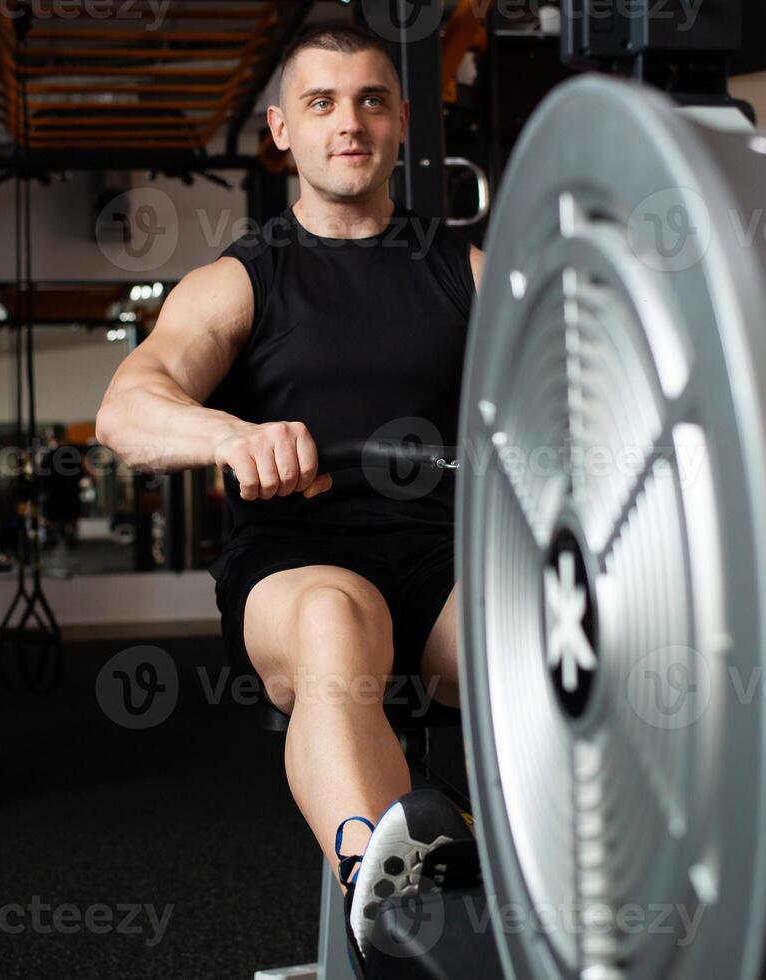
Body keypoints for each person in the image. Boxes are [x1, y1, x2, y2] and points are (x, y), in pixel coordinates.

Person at [95, 22, 484, 957]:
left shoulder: (466, 271)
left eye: (369, 100)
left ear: (399, 125)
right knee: (333, 627)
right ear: (280, 130)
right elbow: (126, 410)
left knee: (557, 643)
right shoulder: (238, 281)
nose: (347, 123)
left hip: (440, 560)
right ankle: (393, 906)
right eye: (320, 103)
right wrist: (232, 435)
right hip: (295, 561)